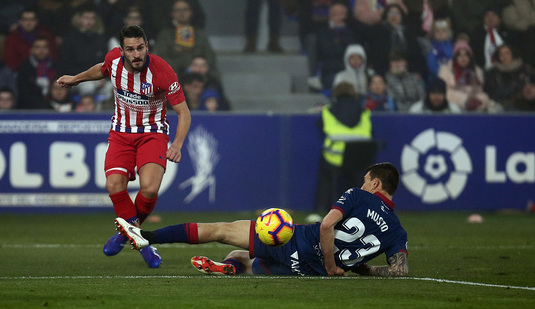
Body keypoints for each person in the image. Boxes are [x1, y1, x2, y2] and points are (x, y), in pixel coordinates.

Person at [115, 162, 409, 277]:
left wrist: (333, 263)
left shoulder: (360, 196)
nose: (362, 184)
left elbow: (326, 225)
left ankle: (147, 237)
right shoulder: (397, 232)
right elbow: (399, 272)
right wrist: (358, 269)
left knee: (221, 230)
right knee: (243, 260)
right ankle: (230, 267)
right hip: (309, 272)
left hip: (295, 240)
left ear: (374, 185)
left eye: (364, 180)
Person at [56, 25, 192, 268]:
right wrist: (76, 79)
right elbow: (101, 69)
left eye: (140, 48)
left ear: (147, 46)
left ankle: (124, 234)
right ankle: (141, 243)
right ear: (122, 51)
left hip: (152, 133)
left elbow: (184, 113)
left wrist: (178, 144)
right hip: (121, 133)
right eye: (130, 49)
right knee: (113, 184)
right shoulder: (114, 61)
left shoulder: (162, 71)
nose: (136, 54)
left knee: (149, 188)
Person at [313, 81, 373, 216]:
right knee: (358, 178)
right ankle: (362, 210)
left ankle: (321, 208)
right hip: (359, 157)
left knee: (325, 175)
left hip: (335, 157)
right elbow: (371, 132)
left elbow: (320, 126)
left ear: (335, 94)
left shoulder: (328, 110)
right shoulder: (364, 111)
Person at [154, 0, 219, 80]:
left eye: (185, 10)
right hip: (174, 77)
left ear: (190, 12)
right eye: (178, 10)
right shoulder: (165, 35)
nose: (182, 13)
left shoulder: (200, 34)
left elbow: (210, 56)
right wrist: (183, 67)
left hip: (200, 77)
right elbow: (160, 58)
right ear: (173, 14)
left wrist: (200, 66)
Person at [438, 40, 498, 112]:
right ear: (455, 57)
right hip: (453, 107)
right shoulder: (446, 71)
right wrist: (465, 100)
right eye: (459, 55)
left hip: (474, 108)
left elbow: (479, 92)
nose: (463, 58)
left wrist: (479, 100)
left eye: (466, 55)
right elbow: (445, 93)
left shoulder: (476, 72)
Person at [3, 7, 58, 71]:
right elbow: (11, 62)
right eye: (25, 20)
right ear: (20, 21)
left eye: (32, 19)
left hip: (47, 69)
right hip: (21, 71)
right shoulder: (12, 38)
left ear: (36, 21)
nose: (28, 23)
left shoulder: (46, 34)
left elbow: (54, 56)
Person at [484, 43, 535, 110]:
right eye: (501, 54)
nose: (504, 56)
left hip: (527, 103)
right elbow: (491, 92)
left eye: (507, 53)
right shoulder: (492, 73)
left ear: (513, 54)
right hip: (502, 106)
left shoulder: (526, 69)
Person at [16, 37, 58, 110]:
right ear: (32, 49)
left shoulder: (56, 66)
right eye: (37, 47)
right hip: (30, 109)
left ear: (49, 50)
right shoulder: (24, 68)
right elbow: (23, 93)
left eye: (44, 47)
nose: (41, 50)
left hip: (55, 107)